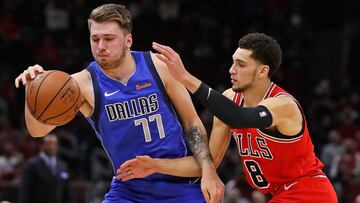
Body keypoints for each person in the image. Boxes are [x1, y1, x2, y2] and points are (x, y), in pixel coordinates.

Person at [14, 3, 224, 203]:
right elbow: (37, 131)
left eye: (109, 38)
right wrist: (33, 88)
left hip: (179, 182)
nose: (101, 46)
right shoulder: (81, 83)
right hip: (129, 188)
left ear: (128, 40)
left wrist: (208, 170)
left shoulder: (158, 65)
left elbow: (192, 123)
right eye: (95, 39)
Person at [117, 33, 338, 202]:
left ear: (262, 71)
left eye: (241, 65)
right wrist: (155, 165)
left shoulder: (283, 105)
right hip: (279, 195)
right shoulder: (229, 99)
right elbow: (207, 162)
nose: (232, 69)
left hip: (309, 191)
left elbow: (240, 118)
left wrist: (184, 78)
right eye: (233, 61)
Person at [17, 134, 72, 203]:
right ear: (42, 146)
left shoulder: (63, 166)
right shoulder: (32, 164)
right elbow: (25, 191)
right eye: (49, 144)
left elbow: (66, 192)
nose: (52, 146)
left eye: (55, 144)